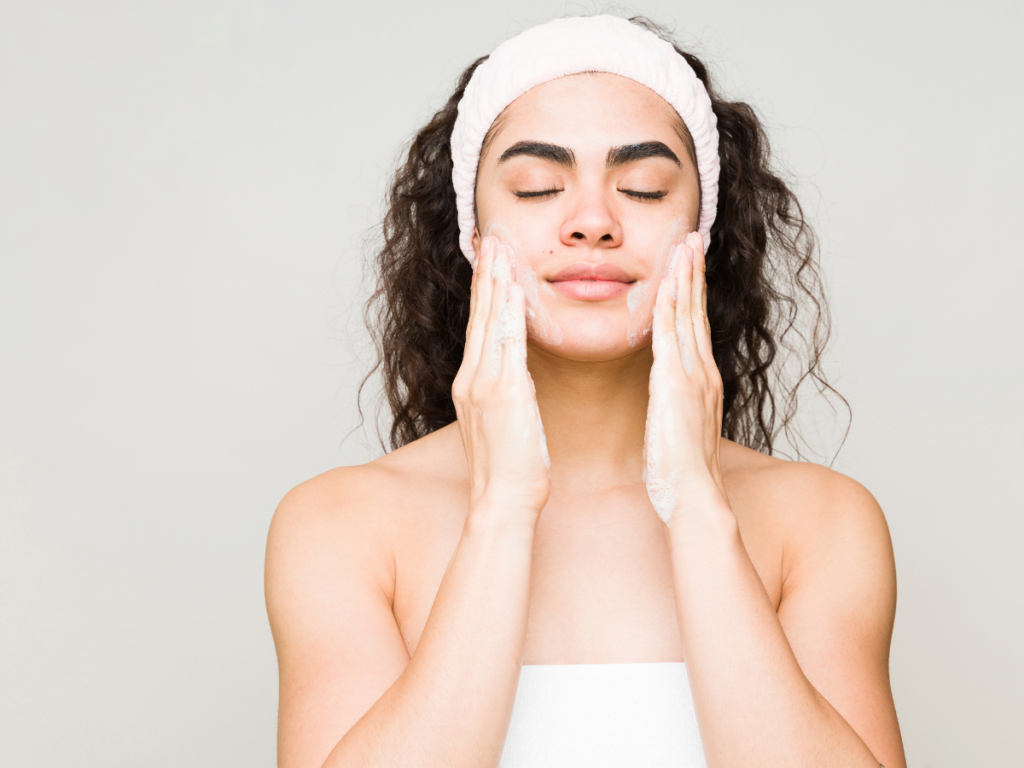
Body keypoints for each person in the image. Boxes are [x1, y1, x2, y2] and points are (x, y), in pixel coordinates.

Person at [265, 15, 905, 768]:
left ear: (700, 229)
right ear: (473, 235)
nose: (593, 222)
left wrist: (698, 508)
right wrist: (500, 511)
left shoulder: (822, 525)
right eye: (538, 187)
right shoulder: (339, 529)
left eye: (643, 187)